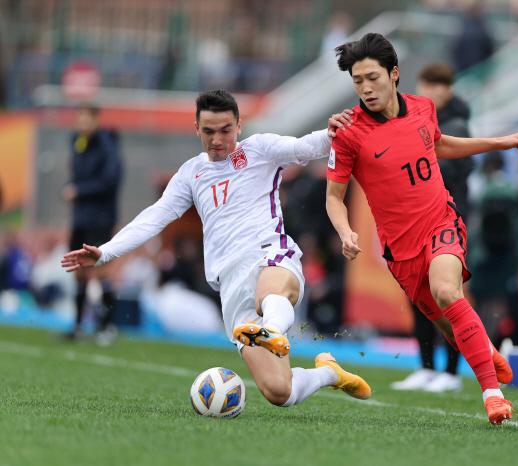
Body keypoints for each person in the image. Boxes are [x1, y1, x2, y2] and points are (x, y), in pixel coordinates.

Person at [62, 90, 371, 408]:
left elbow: (305, 145)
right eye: (208, 131)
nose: (217, 139)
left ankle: (272, 330)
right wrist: (107, 251)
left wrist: (331, 133)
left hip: (269, 254)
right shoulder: (191, 174)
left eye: (225, 130)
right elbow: (154, 217)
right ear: (197, 129)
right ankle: (328, 373)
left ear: (238, 126)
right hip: (230, 284)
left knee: (270, 295)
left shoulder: (259, 149)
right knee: (281, 392)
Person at [326, 33, 518, 425]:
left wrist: (500, 142)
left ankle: (492, 396)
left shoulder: (423, 108)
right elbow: (334, 198)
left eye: (372, 77)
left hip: (441, 220)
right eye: (357, 81)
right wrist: (345, 231)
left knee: (446, 291)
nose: (366, 88)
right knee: (446, 322)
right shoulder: (348, 132)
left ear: (394, 75)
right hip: (399, 247)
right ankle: (486, 350)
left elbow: (440, 145)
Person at [391, 62, 473, 392]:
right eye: (424, 85)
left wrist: (417, 160)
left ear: (447, 90)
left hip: (448, 219)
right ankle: (426, 367)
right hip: (417, 219)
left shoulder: (457, 124)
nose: (428, 93)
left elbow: (458, 168)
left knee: (448, 294)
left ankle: (452, 372)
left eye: (435, 86)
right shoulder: (413, 118)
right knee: (419, 294)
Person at [62, 104, 121, 345]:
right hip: (80, 217)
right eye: (79, 118)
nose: (82, 123)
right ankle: (77, 326)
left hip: (100, 218)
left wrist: (79, 190)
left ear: (96, 119)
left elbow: (110, 182)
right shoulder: (77, 142)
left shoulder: (107, 146)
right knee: (78, 270)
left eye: (86, 118)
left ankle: (106, 328)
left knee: (101, 270)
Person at [466, 151, 518, 348]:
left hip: (482, 255)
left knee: (479, 300)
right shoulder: (514, 189)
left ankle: (476, 343)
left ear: (487, 166)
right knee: (511, 299)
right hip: (508, 256)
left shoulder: (477, 188)